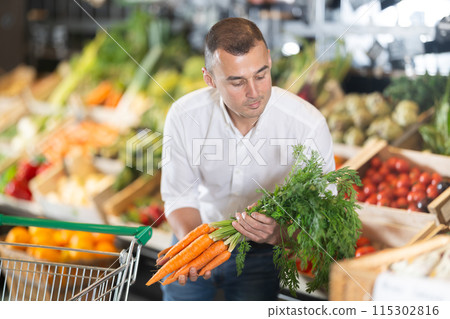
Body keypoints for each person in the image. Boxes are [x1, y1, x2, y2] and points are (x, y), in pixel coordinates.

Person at [159, 17, 335, 301]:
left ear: (269, 61)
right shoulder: (184, 115)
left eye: (261, 75)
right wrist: (199, 247)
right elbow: (180, 197)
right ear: (210, 79)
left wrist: (279, 233)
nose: (254, 93)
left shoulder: (307, 125)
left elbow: (321, 217)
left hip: (262, 254)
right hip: (194, 233)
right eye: (237, 81)